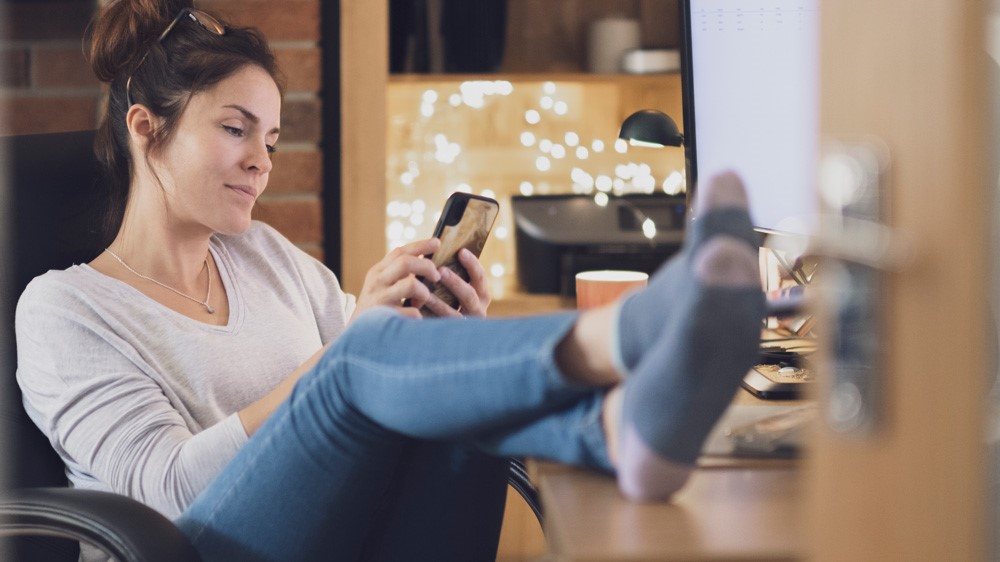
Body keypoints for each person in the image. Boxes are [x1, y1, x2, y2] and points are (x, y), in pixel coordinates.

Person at [14, 1, 765, 560]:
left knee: (439, 389)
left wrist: (442, 333)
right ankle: (633, 333)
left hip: (353, 537)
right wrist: (342, 358)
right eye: (235, 129)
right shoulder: (65, 309)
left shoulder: (267, 258)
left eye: (271, 141)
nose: (261, 162)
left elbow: (386, 390)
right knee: (361, 357)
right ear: (147, 129)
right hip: (202, 550)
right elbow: (161, 497)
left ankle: (617, 428)